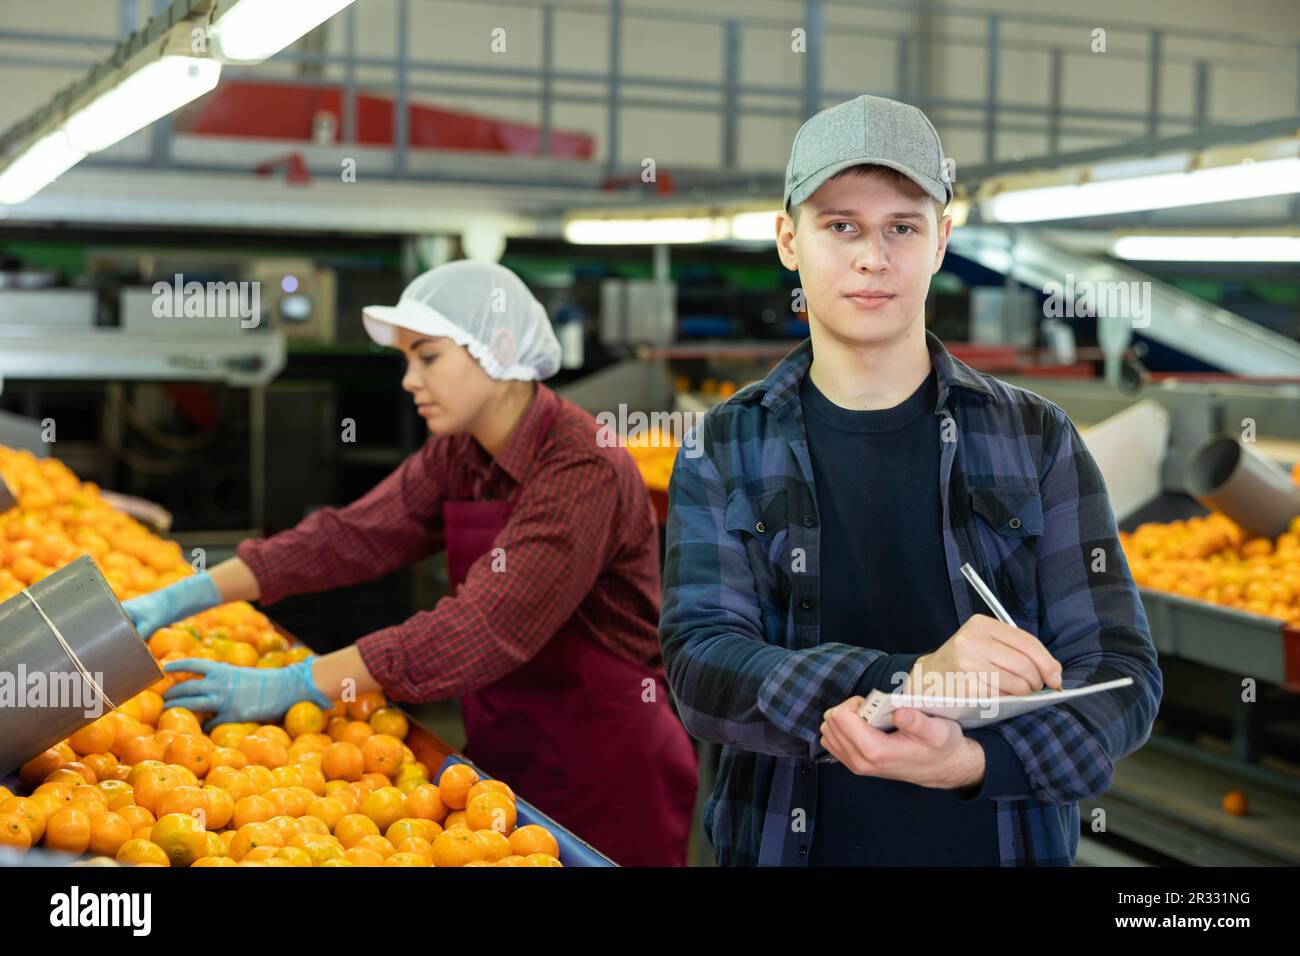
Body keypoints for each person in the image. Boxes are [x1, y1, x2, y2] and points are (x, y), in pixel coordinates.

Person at [659, 94, 1163, 866]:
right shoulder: (725, 445)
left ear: (942, 241)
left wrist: (978, 763)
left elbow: (1122, 673)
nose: (873, 256)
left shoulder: (1037, 438)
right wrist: (906, 679)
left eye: (903, 225)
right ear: (788, 240)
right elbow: (700, 668)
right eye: (841, 226)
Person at [127, 259, 698, 866]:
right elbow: (350, 536)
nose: (408, 380)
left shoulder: (581, 467)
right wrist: (191, 592)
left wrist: (298, 683)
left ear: (498, 349)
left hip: (605, 761)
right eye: (406, 359)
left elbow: (481, 626)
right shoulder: (461, 453)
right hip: (505, 745)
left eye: (427, 357)